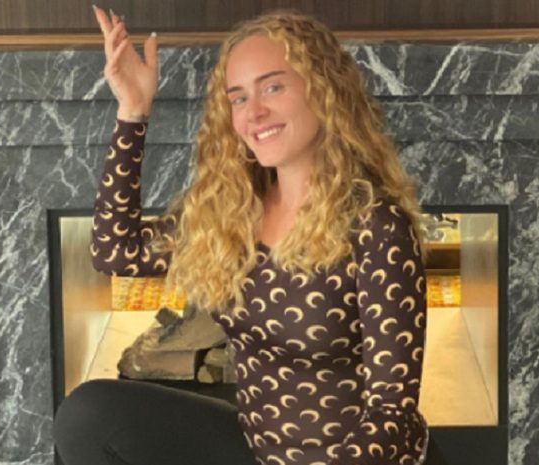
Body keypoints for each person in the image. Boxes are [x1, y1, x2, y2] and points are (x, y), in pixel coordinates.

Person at [53, 5, 429, 465]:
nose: (255, 112)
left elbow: (392, 416)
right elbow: (116, 252)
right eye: (238, 98)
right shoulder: (233, 210)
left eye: (273, 87)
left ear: (323, 87)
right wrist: (133, 111)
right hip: (257, 448)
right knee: (89, 415)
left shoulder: (377, 226)